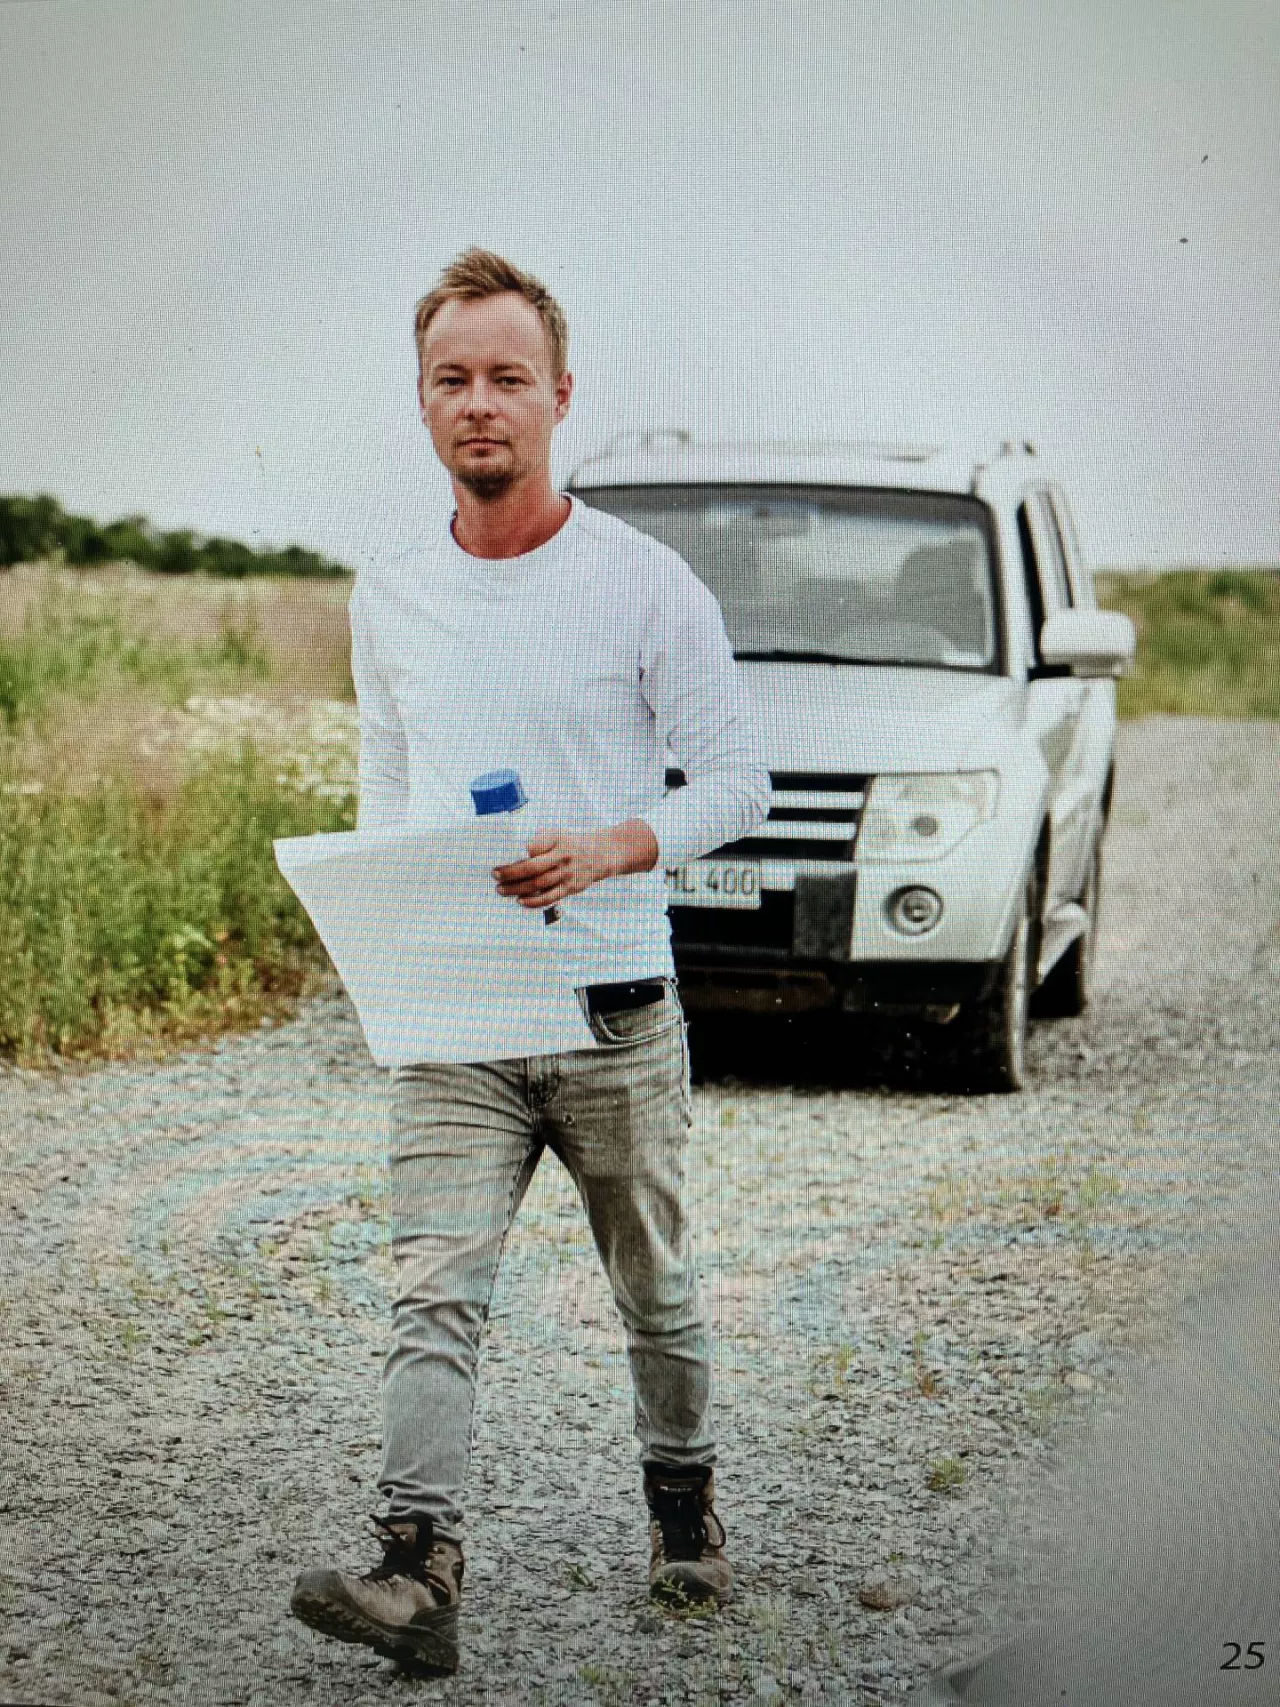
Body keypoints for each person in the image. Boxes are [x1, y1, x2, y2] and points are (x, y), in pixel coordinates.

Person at [289, 248, 771, 1677]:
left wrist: (613, 847)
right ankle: (414, 1571)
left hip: (615, 1011)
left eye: (509, 378)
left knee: (654, 1287)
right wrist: (385, 925)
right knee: (432, 1290)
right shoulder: (391, 589)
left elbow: (738, 781)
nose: (480, 403)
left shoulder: (643, 582)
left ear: (562, 396)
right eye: (453, 378)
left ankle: (682, 1509)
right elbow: (389, 791)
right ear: (420, 399)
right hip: (458, 1015)